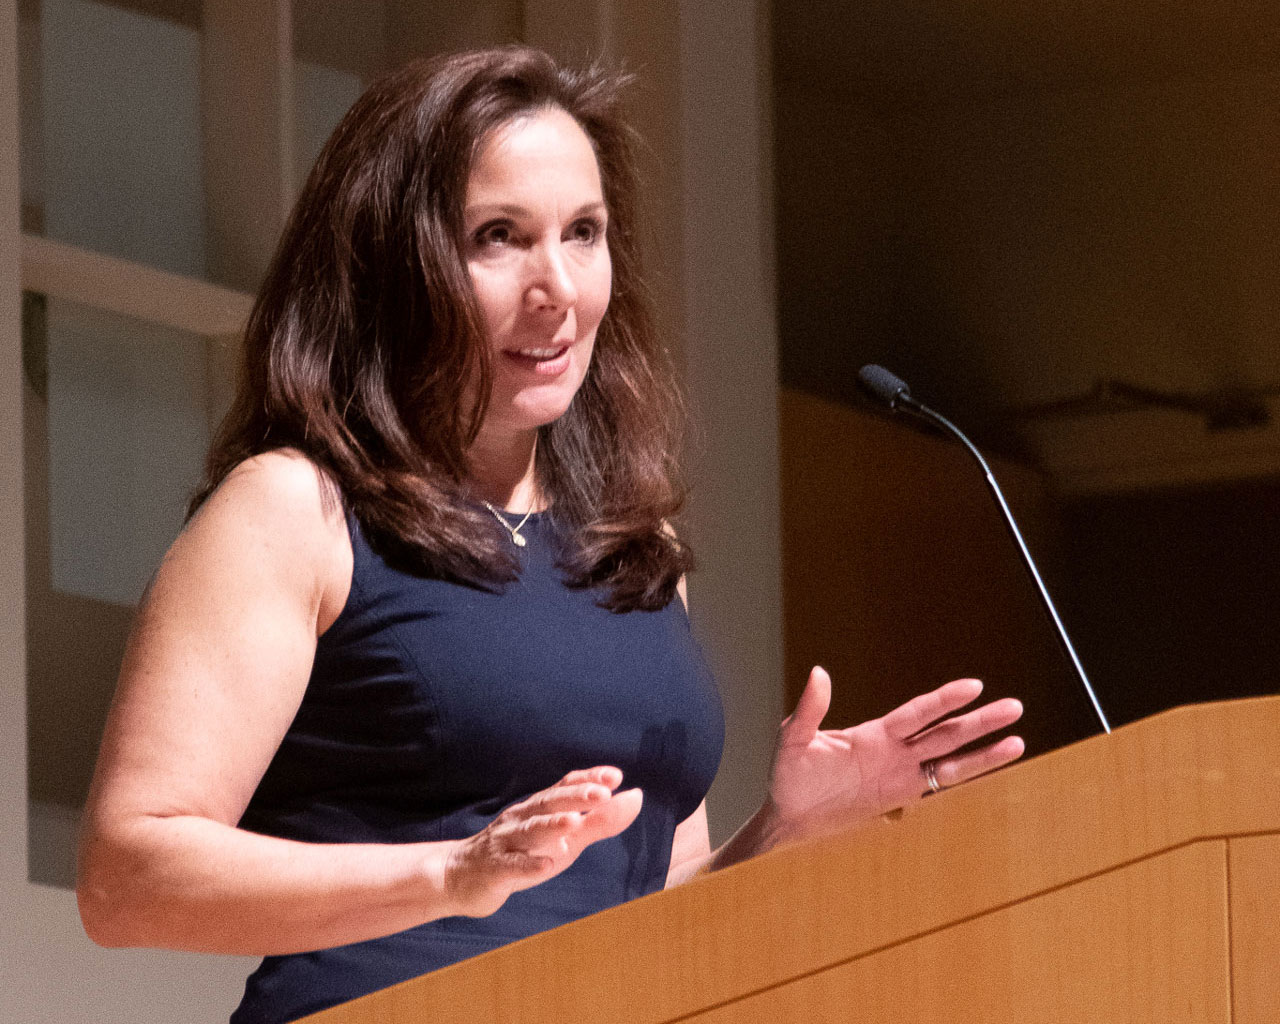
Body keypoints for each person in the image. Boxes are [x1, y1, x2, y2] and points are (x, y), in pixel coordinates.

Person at [75, 47, 1025, 1024]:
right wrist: (455, 872)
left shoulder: (631, 542)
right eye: (498, 237)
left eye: (583, 233)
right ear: (393, 262)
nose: (557, 288)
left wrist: (784, 829)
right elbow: (126, 877)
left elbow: (651, 909)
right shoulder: (290, 511)